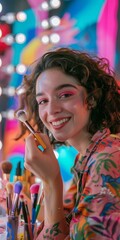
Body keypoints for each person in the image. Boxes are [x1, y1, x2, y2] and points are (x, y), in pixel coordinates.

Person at [17, 48, 120, 239]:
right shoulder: (85, 158)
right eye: (43, 101)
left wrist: (51, 181)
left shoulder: (107, 161)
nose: (52, 110)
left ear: (92, 98)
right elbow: (59, 225)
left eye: (64, 95)